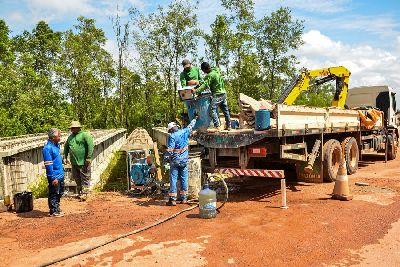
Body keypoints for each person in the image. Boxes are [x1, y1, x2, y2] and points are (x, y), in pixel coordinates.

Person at [163, 116, 197, 206]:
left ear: (171, 130)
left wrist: (165, 157)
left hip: (175, 161)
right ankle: (184, 199)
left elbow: (170, 149)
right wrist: (195, 118)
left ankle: (173, 200)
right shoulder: (184, 131)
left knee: (173, 179)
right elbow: (191, 126)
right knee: (184, 178)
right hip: (184, 160)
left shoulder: (172, 136)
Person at [194, 62, 231, 130]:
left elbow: (205, 86)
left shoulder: (210, 75)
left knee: (211, 109)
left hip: (218, 95)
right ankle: (229, 126)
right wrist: (201, 82)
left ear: (205, 69)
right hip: (224, 93)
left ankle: (217, 126)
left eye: (203, 71)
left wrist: (196, 91)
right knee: (225, 111)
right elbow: (206, 80)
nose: (204, 72)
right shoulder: (216, 70)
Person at [63, 121, 94, 200]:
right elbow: (66, 147)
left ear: (78, 128)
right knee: (77, 178)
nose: (72, 129)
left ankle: (85, 194)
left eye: (74, 128)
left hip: (84, 161)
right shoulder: (70, 137)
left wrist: (89, 157)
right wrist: (65, 157)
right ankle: (80, 192)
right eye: (71, 128)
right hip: (74, 162)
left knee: (85, 178)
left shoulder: (85, 135)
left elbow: (90, 146)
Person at [43, 128, 64, 217]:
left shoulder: (56, 146)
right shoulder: (47, 148)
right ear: (53, 137)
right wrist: (52, 177)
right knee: (53, 193)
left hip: (60, 173)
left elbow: (56, 159)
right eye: (59, 136)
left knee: (59, 192)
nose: (60, 137)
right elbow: (48, 164)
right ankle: (53, 210)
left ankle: (57, 207)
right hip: (54, 175)